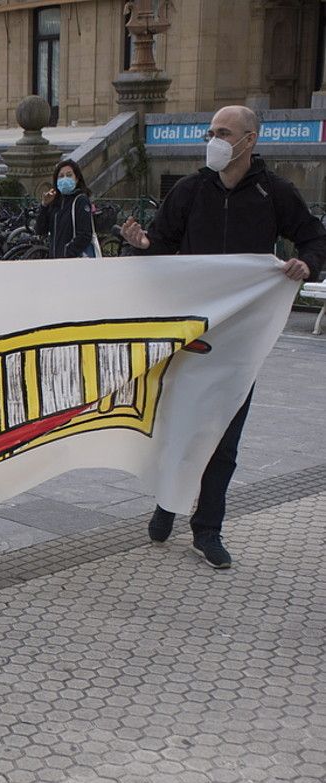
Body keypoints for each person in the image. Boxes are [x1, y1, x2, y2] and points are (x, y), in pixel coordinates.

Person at [119, 105, 326, 569]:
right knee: (178, 425)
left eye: (223, 132)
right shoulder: (189, 191)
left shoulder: (275, 193)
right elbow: (163, 245)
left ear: (248, 141)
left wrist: (306, 264)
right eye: (211, 131)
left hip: (242, 340)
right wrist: (142, 245)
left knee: (224, 436)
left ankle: (208, 529)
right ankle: (167, 504)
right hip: (191, 334)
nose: (213, 139)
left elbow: (315, 239)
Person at [35, 159, 96, 259]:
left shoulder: (80, 200)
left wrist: (66, 252)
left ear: (76, 179)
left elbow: (85, 234)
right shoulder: (55, 202)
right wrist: (44, 206)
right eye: (61, 176)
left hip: (73, 261)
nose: (65, 179)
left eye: (69, 175)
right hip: (56, 260)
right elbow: (40, 230)